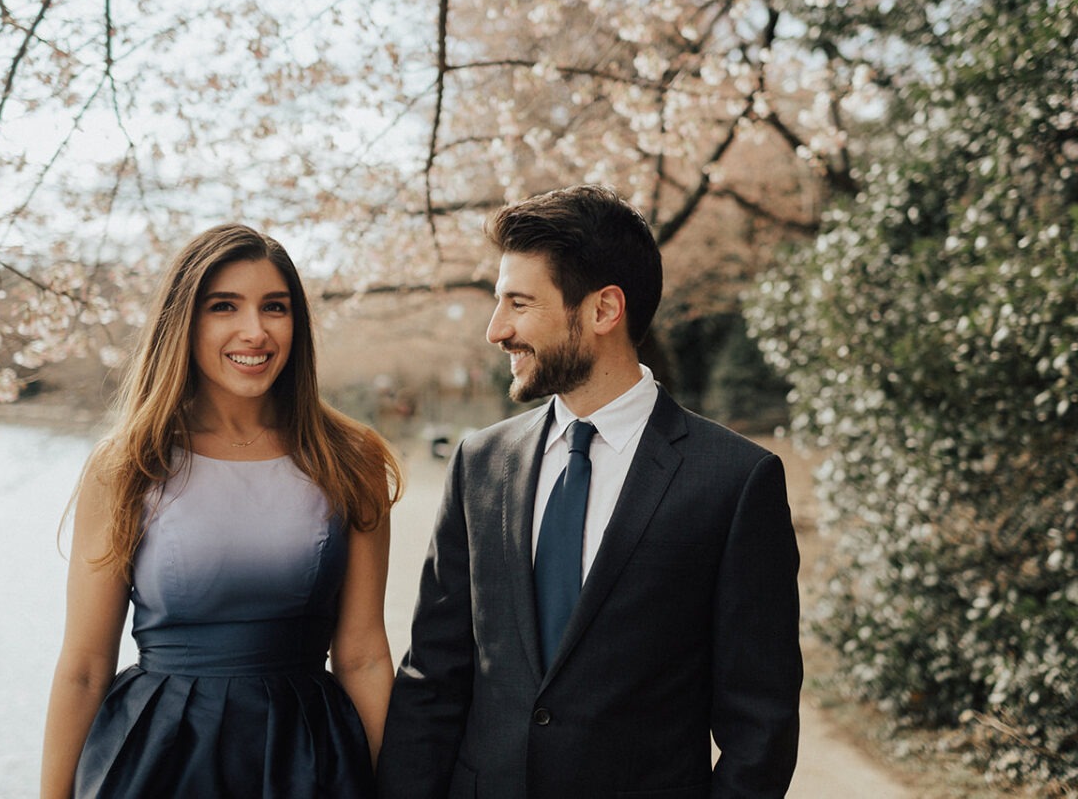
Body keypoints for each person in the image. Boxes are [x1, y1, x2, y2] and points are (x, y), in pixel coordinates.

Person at [378, 185, 801, 798]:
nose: (497, 330)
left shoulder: (736, 482)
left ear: (604, 310)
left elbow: (759, 726)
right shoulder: (480, 463)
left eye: (519, 303)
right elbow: (433, 678)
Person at [41, 224, 402, 799]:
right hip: (158, 758)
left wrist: (398, 788)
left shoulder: (350, 459)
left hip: (311, 759)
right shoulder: (126, 465)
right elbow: (85, 666)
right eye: (224, 306)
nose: (254, 331)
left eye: (275, 307)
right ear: (184, 322)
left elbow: (362, 656)